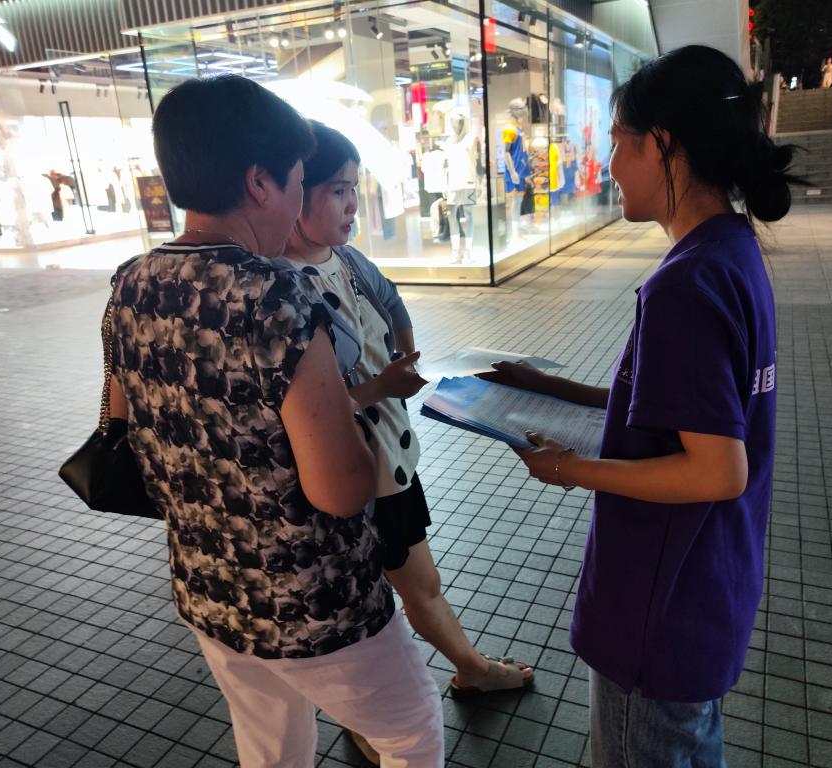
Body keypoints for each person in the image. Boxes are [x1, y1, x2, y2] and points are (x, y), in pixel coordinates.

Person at [106, 75, 444, 767]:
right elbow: (340, 490)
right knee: (411, 732)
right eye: (296, 180)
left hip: (208, 586)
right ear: (259, 181)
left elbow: (124, 422)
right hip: (313, 598)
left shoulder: (130, 282)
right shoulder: (274, 293)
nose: (297, 201)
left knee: (271, 745)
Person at [481, 45, 797, 767]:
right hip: (707, 586)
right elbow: (682, 412)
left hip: (660, 607)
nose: (610, 165)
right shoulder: (731, 251)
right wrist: (547, 385)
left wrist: (568, 470)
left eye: (620, 143)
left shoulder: (684, 285)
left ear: (662, 145)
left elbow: (717, 469)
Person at [280, 123, 535, 719]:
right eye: (337, 190)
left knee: (404, 588)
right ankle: (462, 677)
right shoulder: (280, 288)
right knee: (388, 595)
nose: (353, 204)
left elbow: (392, 301)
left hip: (388, 458)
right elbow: (294, 411)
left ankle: (451, 679)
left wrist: (405, 357)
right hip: (345, 472)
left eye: (355, 188)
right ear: (296, 193)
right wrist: (381, 386)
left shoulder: (347, 260)